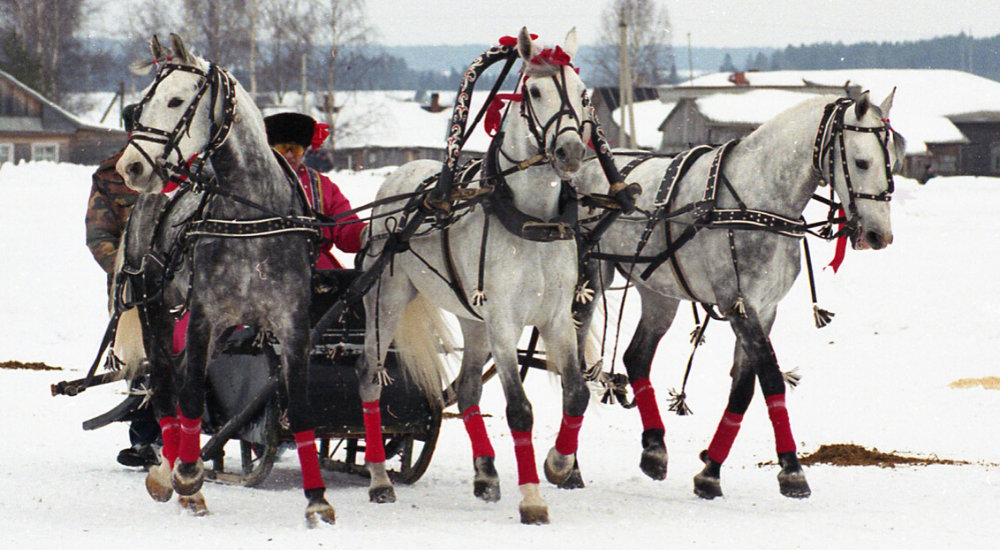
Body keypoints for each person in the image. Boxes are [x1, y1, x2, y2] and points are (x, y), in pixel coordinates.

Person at [85, 148, 162, 469]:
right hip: (136, 287)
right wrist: (125, 273)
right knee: (140, 361)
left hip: (192, 282)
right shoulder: (110, 176)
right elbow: (99, 234)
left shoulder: (192, 170)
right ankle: (145, 438)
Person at [263, 112, 366, 269]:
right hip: (265, 266)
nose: (290, 155)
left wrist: (366, 233)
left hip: (317, 269)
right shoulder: (254, 181)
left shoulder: (323, 185)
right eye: (283, 149)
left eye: (296, 149)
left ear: (304, 151)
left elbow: (344, 226)